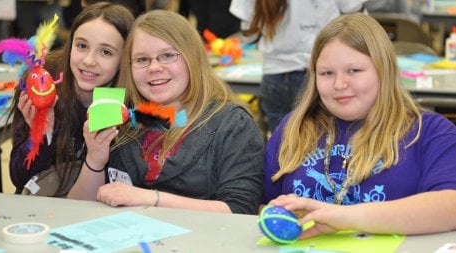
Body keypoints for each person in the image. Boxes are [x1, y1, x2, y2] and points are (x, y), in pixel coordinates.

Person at [264, 13, 456, 239]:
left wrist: (344, 217)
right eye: (326, 73)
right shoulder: (294, 129)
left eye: (354, 71)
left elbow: (450, 206)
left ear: (383, 70)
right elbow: (263, 204)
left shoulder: (430, 132)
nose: (339, 84)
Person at [67, 10, 265, 215]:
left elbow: (241, 209)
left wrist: (152, 198)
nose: (154, 67)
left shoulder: (233, 124)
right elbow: (77, 212)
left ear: (192, 58)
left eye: (168, 55)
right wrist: (95, 160)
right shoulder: (122, 118)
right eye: (142, 59)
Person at [8, 2, 134, 195]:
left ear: (124, 59)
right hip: (43, 210)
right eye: (82, 46)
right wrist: (42, 135)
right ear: (70, 44)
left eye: (106, 52)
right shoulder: (43, 80)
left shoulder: (130, 99)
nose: (89, 61)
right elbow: (20, 179)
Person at [229, 0, 366, 133]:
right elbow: (356, 17)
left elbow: (249, 34)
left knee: (281, 145)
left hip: (276, 74)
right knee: (324, 143)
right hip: (320, 72)